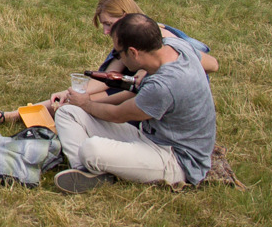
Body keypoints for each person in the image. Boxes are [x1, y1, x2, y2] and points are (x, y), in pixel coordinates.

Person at [0, 0, 217, 125]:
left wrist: (87, 104)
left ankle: (17, 116)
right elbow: (108, 78)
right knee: (79, 98)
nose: (105, 32)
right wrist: (71, 94)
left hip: (162, 107)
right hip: (138, 93)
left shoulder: (158, 44)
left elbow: (211, 64)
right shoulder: (128, 41)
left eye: (108, 24)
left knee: (84, 106)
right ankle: (15, 115)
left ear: (125, 17)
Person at [52, 13, 216, 193]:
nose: (119, 59)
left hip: (177, 159)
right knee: (67, 112)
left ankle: (90, 166)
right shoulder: (177, 46)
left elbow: (118, 114)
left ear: (133, 52)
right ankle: (84, 172)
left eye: (119, 53)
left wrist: (85, 103)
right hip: (151, 135)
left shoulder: (163, 86)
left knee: (91, 149)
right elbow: (211, 63)